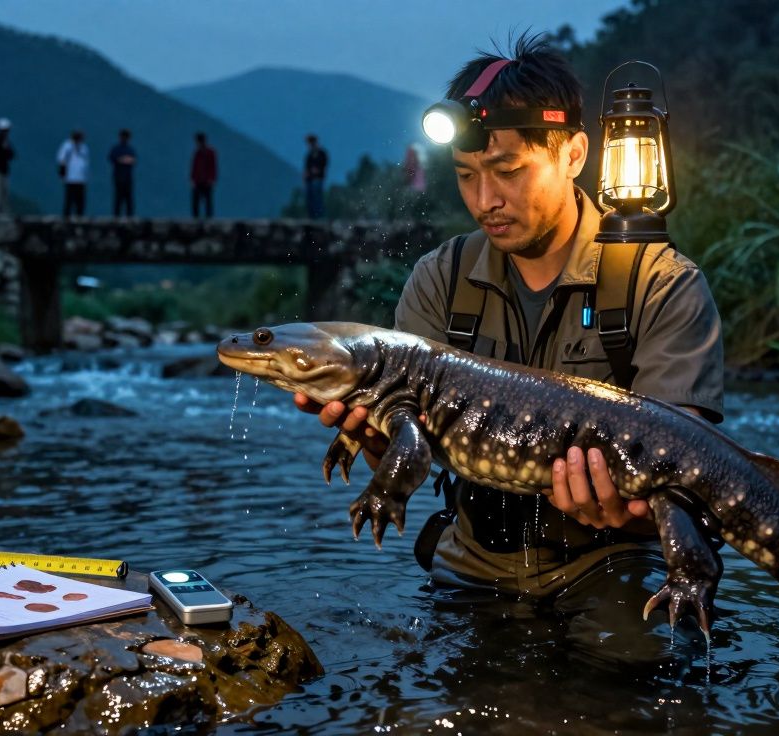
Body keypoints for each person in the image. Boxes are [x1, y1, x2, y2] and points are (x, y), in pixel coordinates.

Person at [292, 35, 724, 667]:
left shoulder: (660, 284)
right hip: (473, 566)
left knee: (631, 684)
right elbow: (416, 443)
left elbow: (697, 476)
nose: (486, 200)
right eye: (467, 175)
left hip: (613, 565)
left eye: (509, 171)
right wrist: (374, 436)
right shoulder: (439, 279)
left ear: (574, 153)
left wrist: (619, 511)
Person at [57, 129, 90, 217]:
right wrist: (62, 174)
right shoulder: (67, 146)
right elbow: (62, 160)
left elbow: (85, 161)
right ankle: (66, 216)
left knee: (80, 200)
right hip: (70, 177)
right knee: (69, 199)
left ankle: (80, 216)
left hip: (81, 178)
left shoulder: (84, 147)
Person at [108, 128, 137, 217]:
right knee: (118, 198)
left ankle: (130, 217)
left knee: (129, 199)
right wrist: (125, 160)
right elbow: (113, 158)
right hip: (118, 177)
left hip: (128, 178)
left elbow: (133, 160)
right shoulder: (116, 149)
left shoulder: (130, 149)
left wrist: (122, 159)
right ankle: (116, 217)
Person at [190, 132, 217, 218]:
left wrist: (212, 179)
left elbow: (213, 167)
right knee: (195, 200)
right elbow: (194, 167)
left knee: (208, 200)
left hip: (207, 181)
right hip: (198, 180)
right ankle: (196, 218)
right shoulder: (197, 153)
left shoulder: (210, 153)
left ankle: (208, 218)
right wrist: (192, 179)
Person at [303, 134, 328, 219]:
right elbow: (307, 167)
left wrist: (318, 170)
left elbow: (324, 164)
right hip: (310, 179)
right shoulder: (310, 155)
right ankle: (311, 216)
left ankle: (319, 216)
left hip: (318, 178)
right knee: (309, 198)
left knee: (317, 198)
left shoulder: (321, 153)